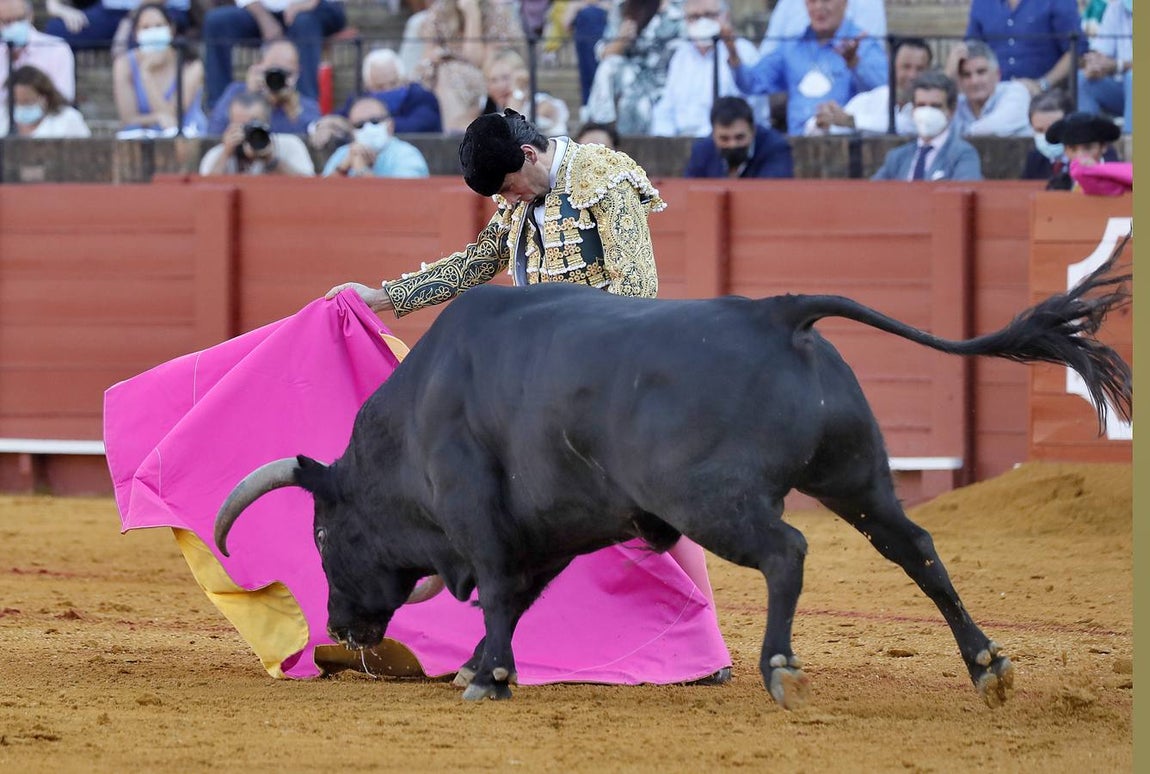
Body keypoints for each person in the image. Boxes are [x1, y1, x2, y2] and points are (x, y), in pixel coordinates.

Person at [324, 108, 730, 684]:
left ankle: (699, 645)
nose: (510, 200)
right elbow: (478, 262)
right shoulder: (518, 198)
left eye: (511, 187)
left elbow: (639, 291)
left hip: (613, 379)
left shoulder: (603, 175)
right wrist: (384, 297)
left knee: (653, 504)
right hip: (544, 388)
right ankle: (546, 646)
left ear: (530, 156)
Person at [724, 0, 887, 135]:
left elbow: (886, 92)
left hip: (847, 147)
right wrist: (734, 56)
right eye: (812, 1)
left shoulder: (863, 44)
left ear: (844, 3)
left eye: (826, 1)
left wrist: (855, 64)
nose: (818, 8)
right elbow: (752, 83)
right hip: (796, 146)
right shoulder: (791, 47)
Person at [649, 0, 766, 138]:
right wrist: (664, 138)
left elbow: (756, 107)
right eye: (694, 17)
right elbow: (666, 107)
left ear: (725, 16)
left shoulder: (743, 50)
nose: (702, 22)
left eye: (709, 15)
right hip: (681, 144)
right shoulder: (681, 55)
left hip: (729, 143)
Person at [201, 0, 346, 107]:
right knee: (216, 22)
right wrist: (264, 18)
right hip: (263, 9)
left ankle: (306, 106)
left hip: (318, 8)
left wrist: (305, 4)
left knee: (305, 22)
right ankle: (218, 106)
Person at [413, 0, 525, 133]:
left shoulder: (496, 12)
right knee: (444, 72)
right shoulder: (439, 11)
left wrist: (472, 14)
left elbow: (476, 59)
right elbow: (428, 56)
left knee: (451, 73)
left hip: (483, 74)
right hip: (438, 76)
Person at [583, 0, 686, 135]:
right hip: (631, 77)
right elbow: (605, 54)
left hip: (667, 81)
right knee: (609, 67)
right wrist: (622, 39)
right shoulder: (623, 7)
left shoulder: (680, 8)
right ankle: (599, 128)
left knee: (638, 105)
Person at [112, 3, 206, 137]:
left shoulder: (192, 65)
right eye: (146, 27)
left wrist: (146, 74)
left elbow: (172, 118)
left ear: (171, 29)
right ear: (136, 33)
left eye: (159, 26)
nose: (153, 32)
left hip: (187, 138)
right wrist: (156, 118)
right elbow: (128, 118)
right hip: (141, 137)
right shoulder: (124, 64)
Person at [805, 36, 931, 136]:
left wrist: (851, 122)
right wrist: (823, 121)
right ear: (892, 66)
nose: (912, 75)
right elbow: (815, 129)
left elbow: (908, 126)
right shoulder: (871, 99)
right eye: (906, 67)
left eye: (920, 69)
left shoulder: (931, 104)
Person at [871, 71, 982, 181]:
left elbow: (964, 193)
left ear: (951, 111)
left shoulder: (963, 154)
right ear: (913, 110)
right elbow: (870, 192)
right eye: (921, 105)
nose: (927, 111)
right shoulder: (897, 157)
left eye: (935, 106)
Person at [206, 38, 319, 136]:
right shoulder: (237, 92)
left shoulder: (306, 106)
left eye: (286, 74)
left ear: (297, 73)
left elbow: (311, 140)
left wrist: (292, 110)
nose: (277, 79)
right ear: (259, 66)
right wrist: (252, 96)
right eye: (272, 71)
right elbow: (214, 133)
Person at [963, 0, 1082, 90]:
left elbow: (1076, 51)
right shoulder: (982, 3)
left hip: (1044, 100)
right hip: (994, 96)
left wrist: (1042, 84)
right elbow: (971, 50)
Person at [199, 91, 315, 175]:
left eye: (253, 125)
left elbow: (308, 187)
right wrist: (225, 155)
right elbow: (206, 196)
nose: (247, 133)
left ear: (268, 122)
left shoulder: (290, 145)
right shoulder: (216, 154)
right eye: (241, 126)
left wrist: (272, 161)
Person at [1022, 89, 1118, 189]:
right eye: (1039, 130)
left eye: (1053, 129)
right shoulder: (1035, 158)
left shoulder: (1101, 154)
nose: (1047, 136)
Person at [683, 95, 793, 178]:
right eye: (724, 139)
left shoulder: (776, 149)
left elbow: (772, 194)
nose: (733, 145)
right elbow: (688, 195)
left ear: (753, 131)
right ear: (713, 134)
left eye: (739, 137)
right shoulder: (702, 151)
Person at [338, 47, 441, 134]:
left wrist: (369, 123)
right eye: (379, 87)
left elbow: (418, 124)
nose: (387, 90)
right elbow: (339, 119)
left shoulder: (422, 97)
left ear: (404, 80)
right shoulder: (359, 100)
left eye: (393, 83)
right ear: (368, 87)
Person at [321, 96, 430, 178]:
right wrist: (343, 168)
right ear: (352, 132)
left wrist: (362, 170)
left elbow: (401, 199)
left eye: (375, 122)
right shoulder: (343, 153)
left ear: (390, 125)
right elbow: (321, 196)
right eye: (360, 125)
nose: (368, 128)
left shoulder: (406, 155)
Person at [0, 0, 75, 117]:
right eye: (7, 21)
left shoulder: (56, 48)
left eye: (19, 19)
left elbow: (64, 98)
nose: (14, 26)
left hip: (49, 123)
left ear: (30, 16)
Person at [482, 46, 570, 137]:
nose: (500, 86)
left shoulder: (541, 102)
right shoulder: (486, 108)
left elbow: (510, 128)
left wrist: (517, 93)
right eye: (493, 80)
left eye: (505, 78)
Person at [950, 40, 1031, 137]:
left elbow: (997, 127)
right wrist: (948, 76)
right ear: (959, 80)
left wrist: (957, 133)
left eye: (981, 72)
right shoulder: (957, 103)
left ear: (997, 74)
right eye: (966, 75)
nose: (974, 81)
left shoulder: (1015, 91)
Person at [1077, 0, 1133, 133]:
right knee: (1083, 77)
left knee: (1135, 77)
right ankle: (1088, 141)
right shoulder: (1117, 7)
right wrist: (1094, 64)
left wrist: (1118, 65)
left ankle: (1131, 143)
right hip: (1121, 92)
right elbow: (1101, 50)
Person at [758, 0, 885, 57]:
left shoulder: (869, 3)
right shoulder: (788, 3)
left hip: (851, 102)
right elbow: (768, 54)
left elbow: (870, 56)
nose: (818, 7)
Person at [44, 0, 190, 49]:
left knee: (139, 41)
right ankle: (64, 110)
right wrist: (57, 7)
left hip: (163, 8)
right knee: (56, 32)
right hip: (111, 11)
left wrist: (131, 20)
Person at [0, 63, 89, 137]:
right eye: (16, 102)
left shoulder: (68, 119)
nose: (21, 107)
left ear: (45, 97)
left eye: (27, 102)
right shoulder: (2, 118)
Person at [1043, 110, 1122, 190]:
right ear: (1065, 151)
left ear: (1103, 147)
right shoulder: (1057, 185)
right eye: (1072, 149)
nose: (1080, 156)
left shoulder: (1118, 180)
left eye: (1088, 148)